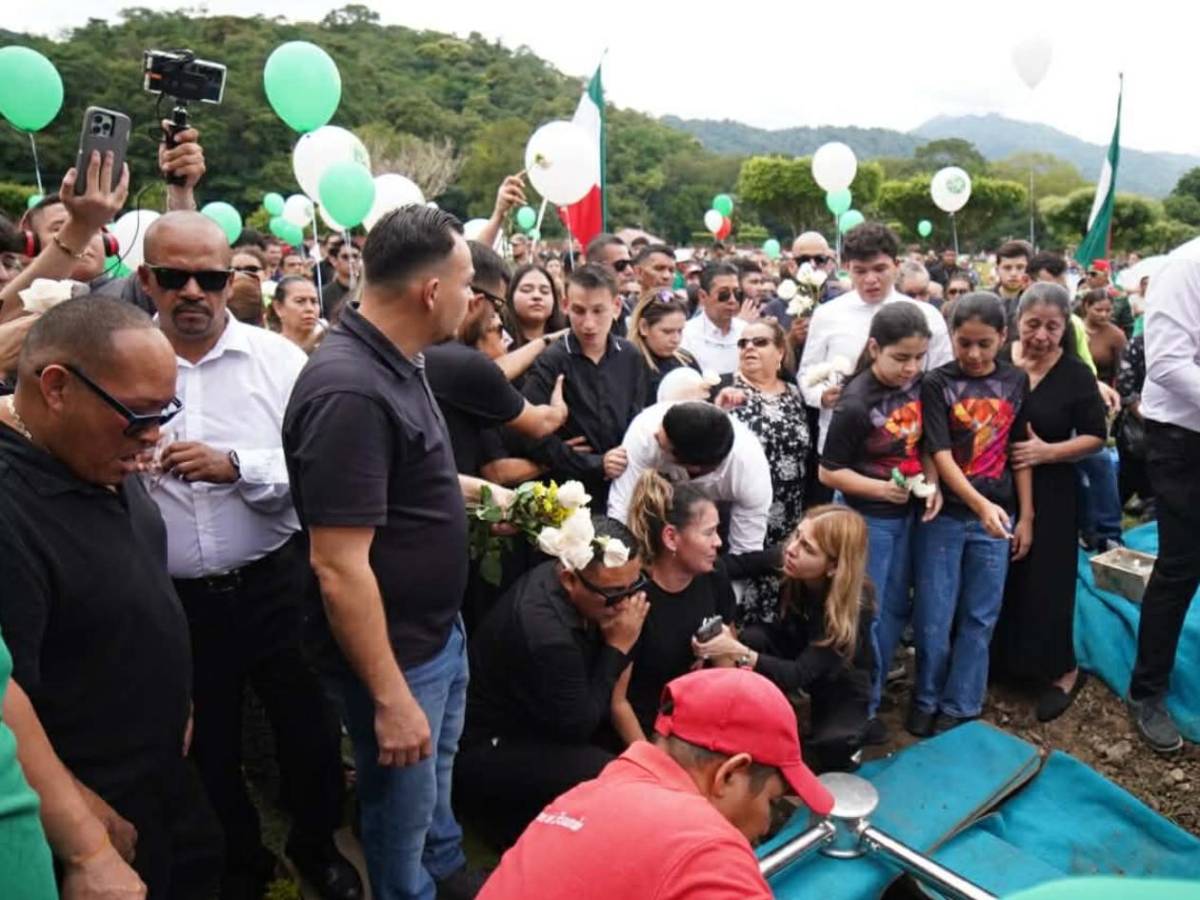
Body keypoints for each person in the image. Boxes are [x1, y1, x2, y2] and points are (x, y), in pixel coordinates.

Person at [138, 213, 359, 900]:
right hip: (173, 600)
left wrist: (236, 465)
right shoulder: (122, 359)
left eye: (209, 277)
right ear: (147, 281)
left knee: (311, 734)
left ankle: (318, 848)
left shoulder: (279, 362)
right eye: (175, 278)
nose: (193, 293)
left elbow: (323, 473)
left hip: (274, 583)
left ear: (231, 281)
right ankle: (240, 862)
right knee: (207, 746)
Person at [283, 206, 496, 899]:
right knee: (397, 813)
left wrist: (499, 500)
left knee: (435, 783)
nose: (475, 301)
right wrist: (391, 696)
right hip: (398, 658)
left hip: (434, 635)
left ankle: (444, 868)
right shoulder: (349, 389)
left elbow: (413, 479)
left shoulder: (399, 360)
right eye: (468, 285)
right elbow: (338, 564)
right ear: (431, 291)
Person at [0, 296, 224, 898]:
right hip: (95, 799)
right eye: (137, 416)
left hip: (161, 770)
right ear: (55, 388)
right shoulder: (10, 506)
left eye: (165, 413)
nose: (153, 437)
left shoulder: (94, 457)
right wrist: (79, 824)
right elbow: (4, 697)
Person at [476, 667, 835, 900]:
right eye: (771, 802)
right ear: (728, 774)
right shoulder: (705, 849)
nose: (766, 825)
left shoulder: (586, 794)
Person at [457, 518, 648, 846]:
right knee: (603, 770)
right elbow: (578, 726)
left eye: (634, 586)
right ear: (569, 579)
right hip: (489, 746)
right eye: (614, 594)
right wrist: (618, 647)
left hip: (538, 716)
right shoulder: (547, 634)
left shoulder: (583, 588)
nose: (626, 604)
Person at [911, 293, 1032, 737]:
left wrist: (1027, 515)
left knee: (981, 614)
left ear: (1003, 337)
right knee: (934, 614)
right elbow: (938, 450)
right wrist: (980, 505)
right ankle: (926, 696)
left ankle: (962, 704)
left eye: (985, 343)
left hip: (998, 518)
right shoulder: (936, 383)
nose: (975, 354)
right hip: (947, 516)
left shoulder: (1017, 382)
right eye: (965, 343)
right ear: (951, 338)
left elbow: (1019, 453)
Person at [819, 303, 939, 740]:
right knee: (864, 613)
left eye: (918, 357)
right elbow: (829, 470)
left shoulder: (919, 386)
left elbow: (924, 443)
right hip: (867, 520)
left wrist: (930, 481)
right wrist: (879, 490)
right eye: (900, 358)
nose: (911, 368)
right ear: (874, 348)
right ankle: (855, 711)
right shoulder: (855, 403)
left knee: (892, 610)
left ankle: (875, 692)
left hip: (906, 515)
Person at [993, 284, 1106, 722]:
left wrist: (1047, 452)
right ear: (1017, 322)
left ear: (1066, 327)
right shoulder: (1000, 361)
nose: (1041, 335)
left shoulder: (1076, 374)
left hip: (1054, 489)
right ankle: (1007, 661)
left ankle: (1061, 670)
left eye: (1052, 327)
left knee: (1048, 579)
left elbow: (1096, 436)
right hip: (998, 487)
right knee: (1006, 573)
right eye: (1032, 325)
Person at [695, 506, 874, 771]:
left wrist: (736, 650)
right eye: (797, 536)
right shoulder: (791, 557)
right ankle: (760, 720)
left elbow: (798, 674)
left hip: (839, 678)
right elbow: (735, 565)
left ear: (833, 567)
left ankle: (855, 735)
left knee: (832, 747)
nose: (792, 549)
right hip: (795, 645)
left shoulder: (852, 608)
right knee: (755, 637)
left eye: (809, 549)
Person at [613, 470, 776, 742]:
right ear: (671, 538)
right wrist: (650, 762)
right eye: (709, 533)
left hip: (696, 716)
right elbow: (618, 703)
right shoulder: (634, 600)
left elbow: (727, 665)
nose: (719, 542)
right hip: (646, 730)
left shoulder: (714, 576)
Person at [1126, 242, 1200, 754]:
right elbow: (1170, 366)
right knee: (1181, 566)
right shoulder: (1186, 268)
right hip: (1184, 440)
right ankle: (1147, 691)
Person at [798, 222, 951, 471]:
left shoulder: (926, 315)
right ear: (846, 269)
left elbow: (943, 379)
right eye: (860, 271)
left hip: (908, 450)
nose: (871, 280)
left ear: (896, 266)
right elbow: (807, 373)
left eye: (880, 269)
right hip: (843, 453)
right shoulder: (827, 314)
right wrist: (821, 396)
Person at [425, 241, 569, 479]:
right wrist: (559, 411)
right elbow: (541, 423)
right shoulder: (465, 364)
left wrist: (545, 341)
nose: (496, 318)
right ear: (478, 302)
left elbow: (495, 370)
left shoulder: (420, 349)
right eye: (499, 306)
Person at [521, 264, 646, 504]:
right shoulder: (552, 360)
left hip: (624, 487)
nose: (589, 324)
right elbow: (528, 434)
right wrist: (590, 462)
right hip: (568, 494)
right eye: (579, 311)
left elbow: (638, 420)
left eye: (598, 311)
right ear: (566, 306)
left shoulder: (630, 356)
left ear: (617, 307)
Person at [718, 319, 811, 624]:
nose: (749, 348)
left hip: (789, 516)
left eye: (759, 342)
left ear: (780, 351)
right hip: (741, 515)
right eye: (743, 343)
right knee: (740, 595)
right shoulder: (724, 389)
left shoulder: (797, 395)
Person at [608, 401, 772, 555]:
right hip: (655, 526)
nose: (655, 434)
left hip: (720, 528)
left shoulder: (749, 471)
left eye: (661, 442)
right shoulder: (646, 430)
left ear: (692, 466)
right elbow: (622, 510)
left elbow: (746, 550)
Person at [626, 289, 699, 406]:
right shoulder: (628, 366)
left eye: (680, 331)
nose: (676, 339)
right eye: (667, 331)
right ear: (643, 327)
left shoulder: (687, 360)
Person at [680, 262, 748, 375]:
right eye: (724, 294)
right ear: (702, 296)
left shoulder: (746, 331)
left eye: (737, 293)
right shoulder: (685, 335)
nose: (732, 300)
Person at [501, 263, 566, 353]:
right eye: (526, 290)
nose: (537, 296)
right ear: (511, 296)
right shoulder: (499, 340)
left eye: (544, 291)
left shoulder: (566, 340)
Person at [1080, 288, 1128, 387]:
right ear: (1087, 307)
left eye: (1108, 310)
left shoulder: (1116, 336)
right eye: (1098, 310)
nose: (1104, 315)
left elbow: (1122, 370)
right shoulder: (1074, 329)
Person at [270, 275, 326, 353]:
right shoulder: (269, 349)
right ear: (278, 307)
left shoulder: (331, 346)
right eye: (300, 301)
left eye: (314, 301)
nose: (309, 308)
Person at [992, 240, 1031, 340]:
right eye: (1007, 268)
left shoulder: (1035, 301)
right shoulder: (985, 300)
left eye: (1020, 267)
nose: (1013, 273)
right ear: (997, 270)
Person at [320, 240, 360, 322]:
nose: (352, 261)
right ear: (333, 260)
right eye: (345, 257)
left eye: (355, 256)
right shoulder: (322, 294)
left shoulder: (369, 291)